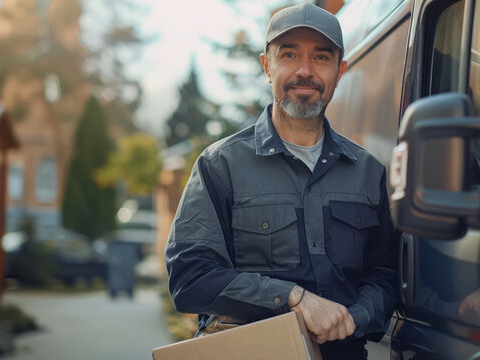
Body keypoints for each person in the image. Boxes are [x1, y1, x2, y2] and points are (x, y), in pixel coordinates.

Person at [165, 3, 397, 358]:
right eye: (289, 54)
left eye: (321, 57)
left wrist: (355, 316)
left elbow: (385, 273)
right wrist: (293, 298)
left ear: (340, 71)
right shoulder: (220, 165)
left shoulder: (369, 172)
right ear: (266, 67)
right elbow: (190, 278)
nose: (305, 71)